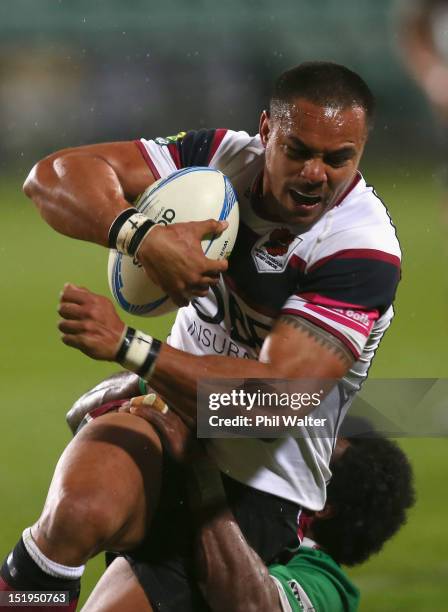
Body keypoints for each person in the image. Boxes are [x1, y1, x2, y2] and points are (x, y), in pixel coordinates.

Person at [1, 62, 401, 610]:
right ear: (266, 132)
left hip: (259, 484)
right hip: (163, 422)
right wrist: (138, 235)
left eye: (338, 159)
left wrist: (131, 348)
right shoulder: (220, 160)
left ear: (360, 151)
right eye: (298, 150)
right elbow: (50, 176)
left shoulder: (359, 249)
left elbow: (272, 406)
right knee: (77, 512)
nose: (315, 173)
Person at [79, 398, 415, 612]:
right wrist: (152, 387)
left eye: (313, 456)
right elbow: (79, 419)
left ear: (322, 502)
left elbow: (251, 606)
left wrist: (198, 467)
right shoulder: (245, 502)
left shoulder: (329, 589)